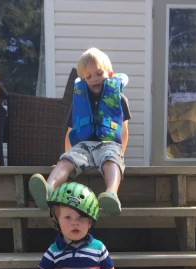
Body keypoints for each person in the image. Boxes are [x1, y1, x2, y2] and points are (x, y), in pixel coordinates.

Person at [29, 47, 131, 216]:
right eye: (88, 76)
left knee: (111, 161)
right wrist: (66, 157)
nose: (94, 79)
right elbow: (71, 131)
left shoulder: (119, 99)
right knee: (66, 161)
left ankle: (111, 195)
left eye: (99, 73)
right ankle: (48, 189)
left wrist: (121, 154)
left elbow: (124, 131)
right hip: (83, 146)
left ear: (110, 74)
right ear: (83, 79)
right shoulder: (79, 101)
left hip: (109, 144)